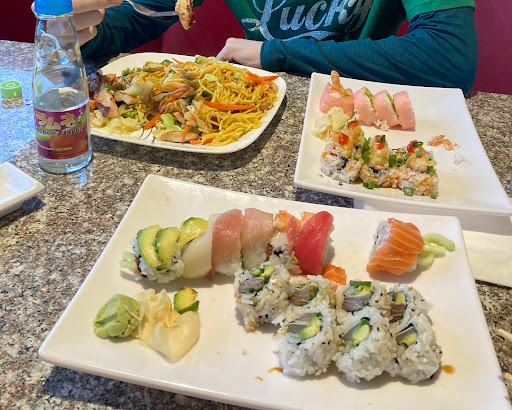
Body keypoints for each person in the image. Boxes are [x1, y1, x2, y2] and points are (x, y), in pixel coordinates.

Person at [72, 0, 477, 93]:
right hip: (261, 107)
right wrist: (75, 30)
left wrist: (272, 52)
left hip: (364, 105)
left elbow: (448, 56)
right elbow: (136, 18)